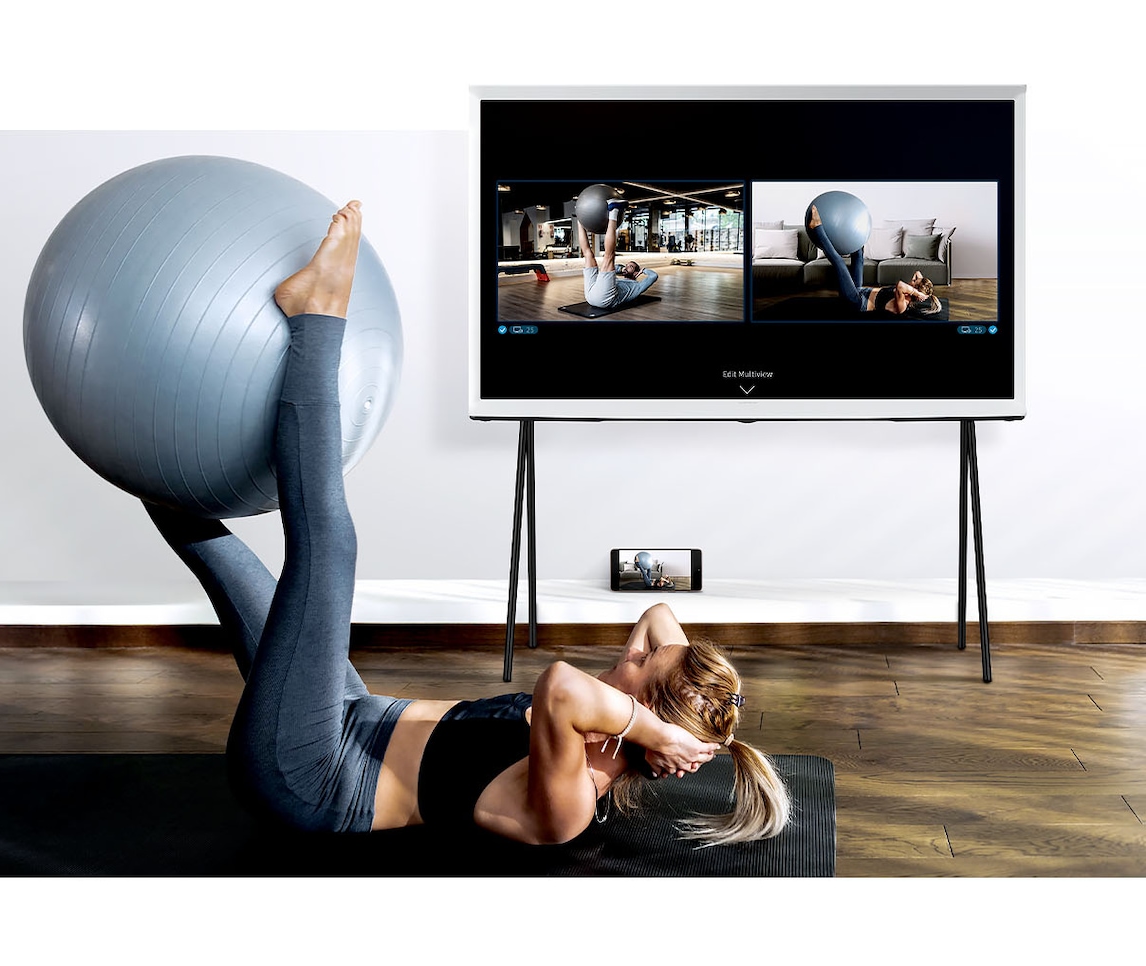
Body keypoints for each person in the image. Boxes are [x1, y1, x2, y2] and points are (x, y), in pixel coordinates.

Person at [147, 201, 788, 847]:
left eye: (641, 666)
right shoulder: (619, 706)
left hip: (312, 777)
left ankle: (316, 317)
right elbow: (657, 615)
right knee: (201, 535)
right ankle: (131, 445)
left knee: (329, 551)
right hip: (349, 714)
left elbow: (562, 686)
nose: (634, 649)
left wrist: (655, 730)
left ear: (641, 718)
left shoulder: (570, 800)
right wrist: (671, 711)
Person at [808, 203, 942, 318]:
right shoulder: (910, 289)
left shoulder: (902, 304)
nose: (912, 279)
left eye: (913, 282)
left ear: (914, 289)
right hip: (859, 290)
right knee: (859, 254)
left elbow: (900, 285)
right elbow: (918, 273)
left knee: (839, 263)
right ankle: (851, 224)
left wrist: (916, 292)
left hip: (856, 302)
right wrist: (920, 288)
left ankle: (817, 228)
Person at [576, 198, 659, 309]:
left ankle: (614, 210)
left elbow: (654, 276)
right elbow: (614, 268)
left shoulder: (637, 287)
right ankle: (579, 217)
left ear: (636, 273)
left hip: (604, 300)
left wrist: (643, 271)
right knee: (588, 254)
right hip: (591, 295)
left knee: (609, 256)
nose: (627, 266)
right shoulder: (617, 279)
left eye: (631, 267)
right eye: (627, 265)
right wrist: (621, 269)